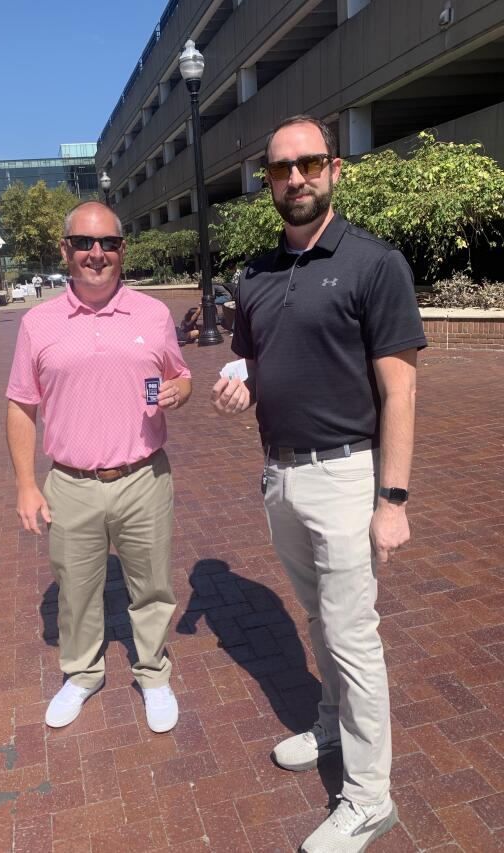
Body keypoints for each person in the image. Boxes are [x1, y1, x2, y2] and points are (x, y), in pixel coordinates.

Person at [211, 115, 426, 853]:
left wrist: (392, 500)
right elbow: (254, 362)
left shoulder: (374, 263)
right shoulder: (257, 274)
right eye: (281, 169)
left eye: (308, 164)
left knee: (352, 635)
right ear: (267, 181)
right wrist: (240, 387)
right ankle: (331, 723)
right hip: (280, 476)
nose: (295, 178)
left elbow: (400, 391)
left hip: (346, 475)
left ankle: (369, 798)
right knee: (316, 617)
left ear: (334, 169)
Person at [6, 201, 192, 734]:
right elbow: (21, 405)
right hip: (71, 484)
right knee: (77, 590)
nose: (96, 253)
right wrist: (26, 485)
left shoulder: (152, 314)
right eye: (84, 243)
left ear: (121, 250)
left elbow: (180, 375)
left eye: (108, 243)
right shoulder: (38, 324)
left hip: (144, 478)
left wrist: (179, 391)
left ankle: (153, 673)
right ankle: (82, 674)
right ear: (65, 250)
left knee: (152, 587)